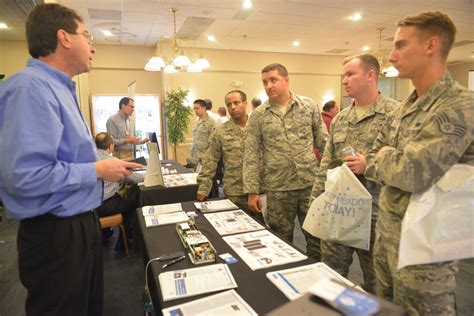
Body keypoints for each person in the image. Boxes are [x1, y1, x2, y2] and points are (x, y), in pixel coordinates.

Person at [0, 3, 142, 315]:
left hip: (79, 222)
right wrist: (97, 169)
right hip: (55, 233)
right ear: (64, 37)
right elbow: (25, 176)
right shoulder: (30, 89)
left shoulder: (61, 89)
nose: (92, 47)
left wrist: (103, 167)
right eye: (86, 36)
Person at [358, 11, 473, 314]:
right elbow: (372, 154)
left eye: (400, 46)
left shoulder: (460, 105)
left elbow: (414, 173)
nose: (391, 56)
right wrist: (385, 158)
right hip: (388, 238)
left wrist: (384, 158)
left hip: (426, 251)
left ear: (431, 45)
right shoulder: (404, 107)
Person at [311, 54, 399, 293]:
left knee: (378, 283)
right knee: (331, 274)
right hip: (341, 209)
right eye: (343, 76)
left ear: (371, 75)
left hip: (377, 214)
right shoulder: (341, 118)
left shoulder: (396, 114)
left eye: (350, 74)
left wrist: (368, 163)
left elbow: (405, 163)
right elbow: (327, 163)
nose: (344, 81)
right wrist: (316, 199)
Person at [243, 63, 327, 260]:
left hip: (310, 185)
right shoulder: (258, 116)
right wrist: (252, 191)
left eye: (273, 80)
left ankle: (316, 276)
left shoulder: (308, 106)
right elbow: (252, 154)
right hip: (278, 189)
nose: (269, 86)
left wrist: (334, 178)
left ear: (286, 80)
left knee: (317, 238)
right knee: (281, 240)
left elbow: (324, 142)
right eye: (265, 82)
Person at [197, 90, 264, 222]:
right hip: (235, 191)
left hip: (261, 191)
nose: (232, 107)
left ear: (245, 103)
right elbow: (210, 160)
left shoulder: (260, 127)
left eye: (236, 103)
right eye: (229, 104)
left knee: (267, 232)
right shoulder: (221, 131)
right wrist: (203, 188)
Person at [95, 132, 144, 245]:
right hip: (105, 203)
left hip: (91, 205)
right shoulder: (110, 160)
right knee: (133, 204)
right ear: (111, 146)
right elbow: (132, 178)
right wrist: (149, 176)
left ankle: (106, 233)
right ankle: (125, 241)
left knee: (123, 200)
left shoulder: (91, 157)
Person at [187, 99, 216, 167]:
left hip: (204, 159)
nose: (195, 111)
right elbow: (195, 139)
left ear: (204, 108)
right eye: (194, 109)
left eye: (197, 108)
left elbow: (212, 143)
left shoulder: (210, 122)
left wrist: (206, 158)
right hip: (194, 157)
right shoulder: (197, 121)